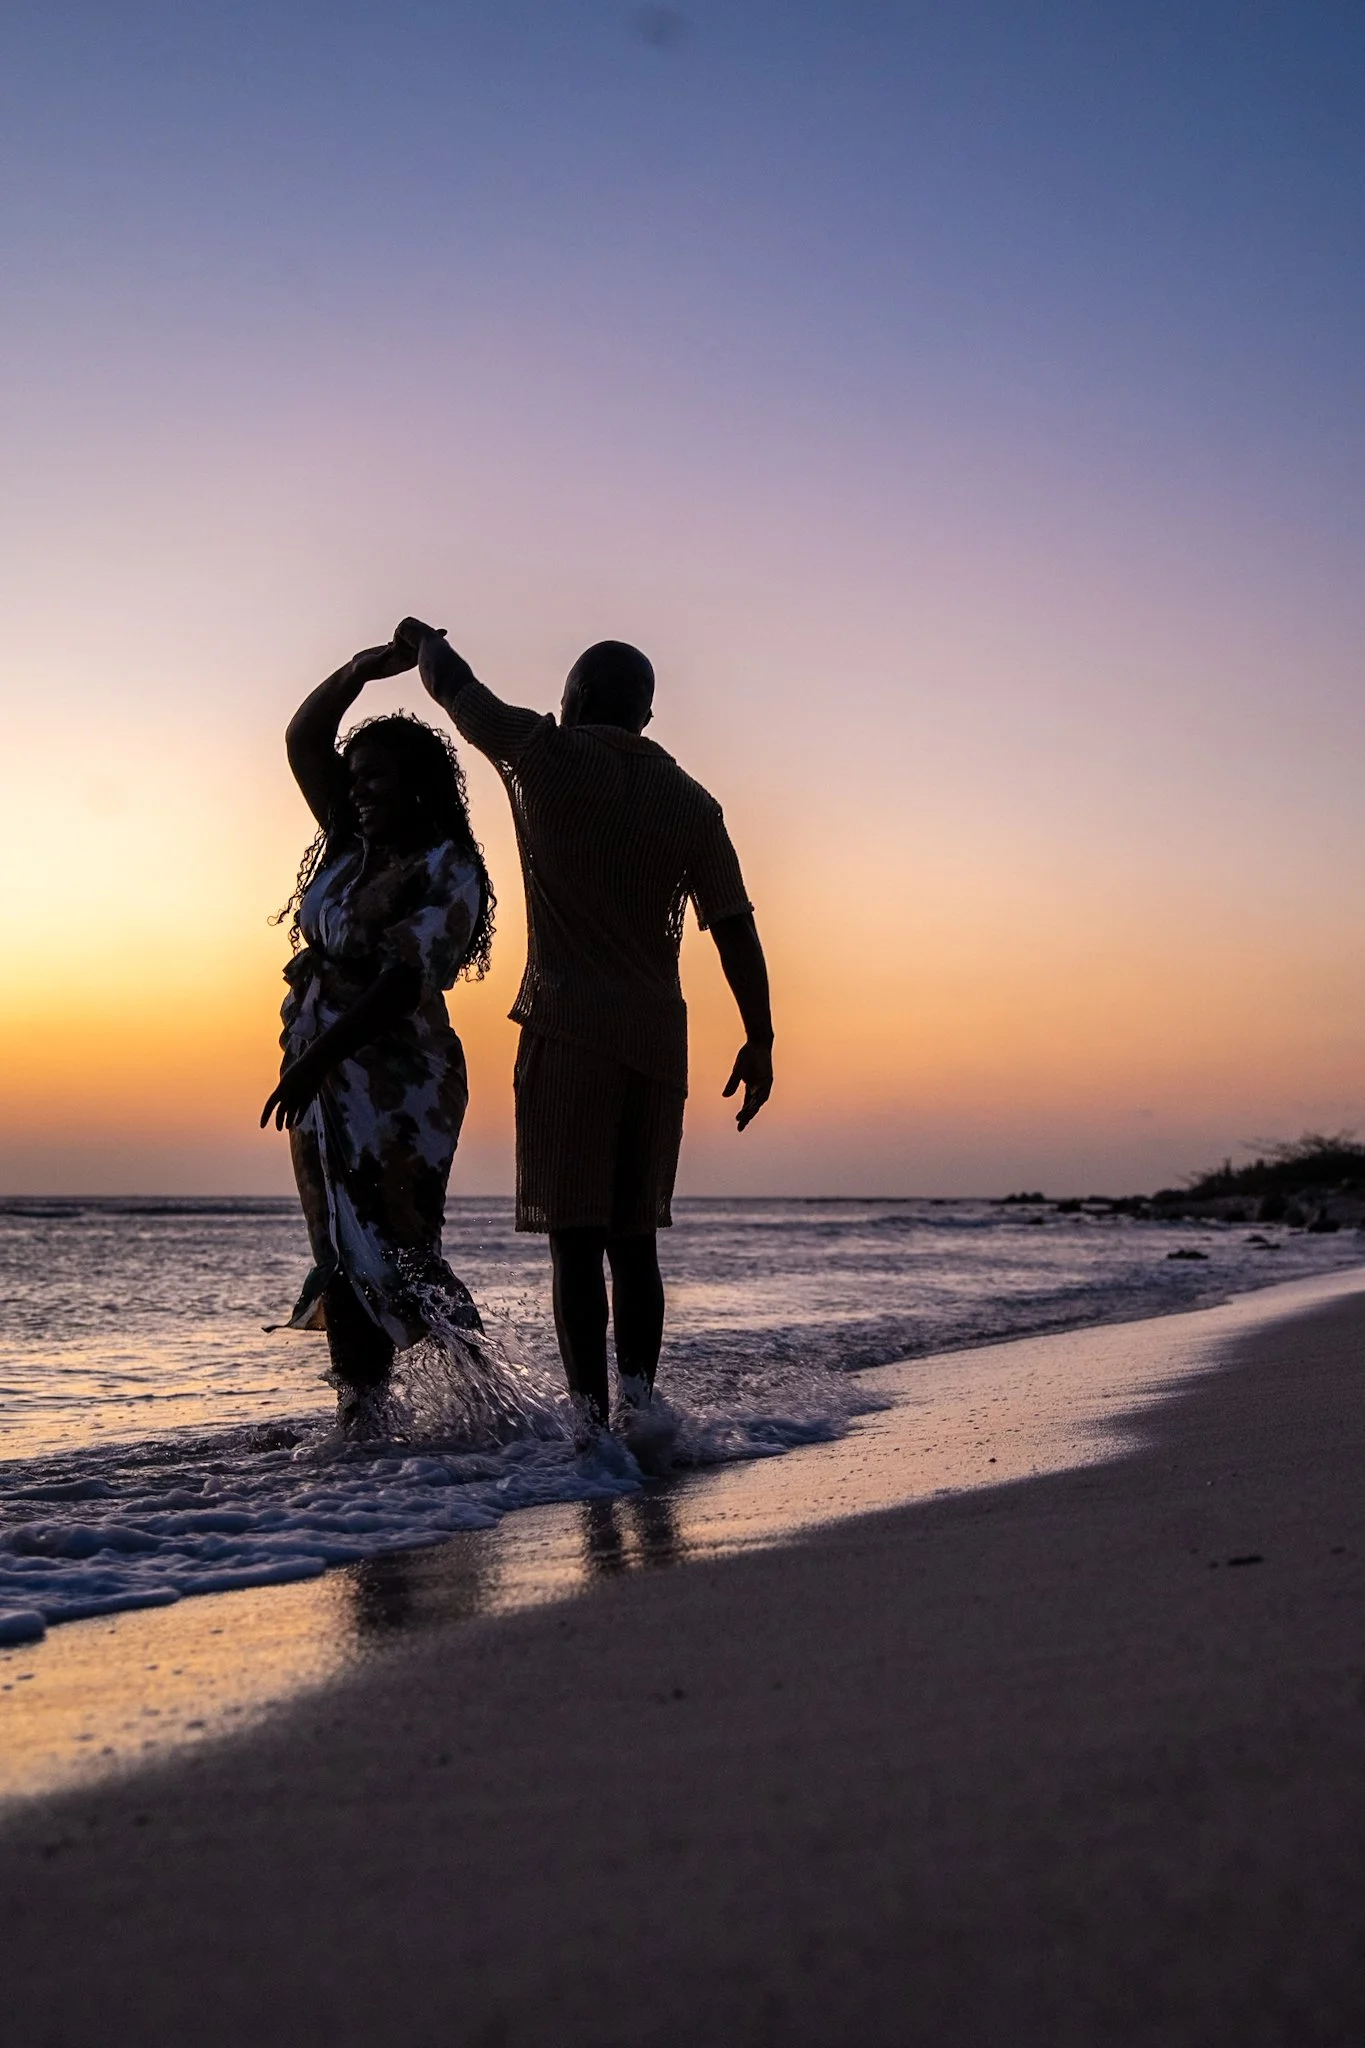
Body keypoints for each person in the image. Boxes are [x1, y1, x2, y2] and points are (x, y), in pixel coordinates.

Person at [393, 616, 773, 1441]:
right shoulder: (692, 805)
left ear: (572, 703)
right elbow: (733, 926)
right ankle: (642, 1411)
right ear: (643, 714)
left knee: (574, 1241)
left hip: (567, 1028)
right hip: (654, 1040)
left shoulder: (543, 754)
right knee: (634, 1243)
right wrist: (760, 1036)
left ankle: (588, 1427)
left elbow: (458, 693)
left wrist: (418, 640)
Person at [261, 639, 495, 1435]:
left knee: (397, 1241)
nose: (359, 791)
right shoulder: (350, 842)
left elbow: (403, 983)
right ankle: (361, 1425)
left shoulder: (445, 863)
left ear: (419, 785)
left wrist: (317, 1058)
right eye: (353, 779)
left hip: (402, 1080)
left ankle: (496, 1411)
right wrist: (358, 674)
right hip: (323, 1074)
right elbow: (302, 742)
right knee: (342, 1248)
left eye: (376, 778)